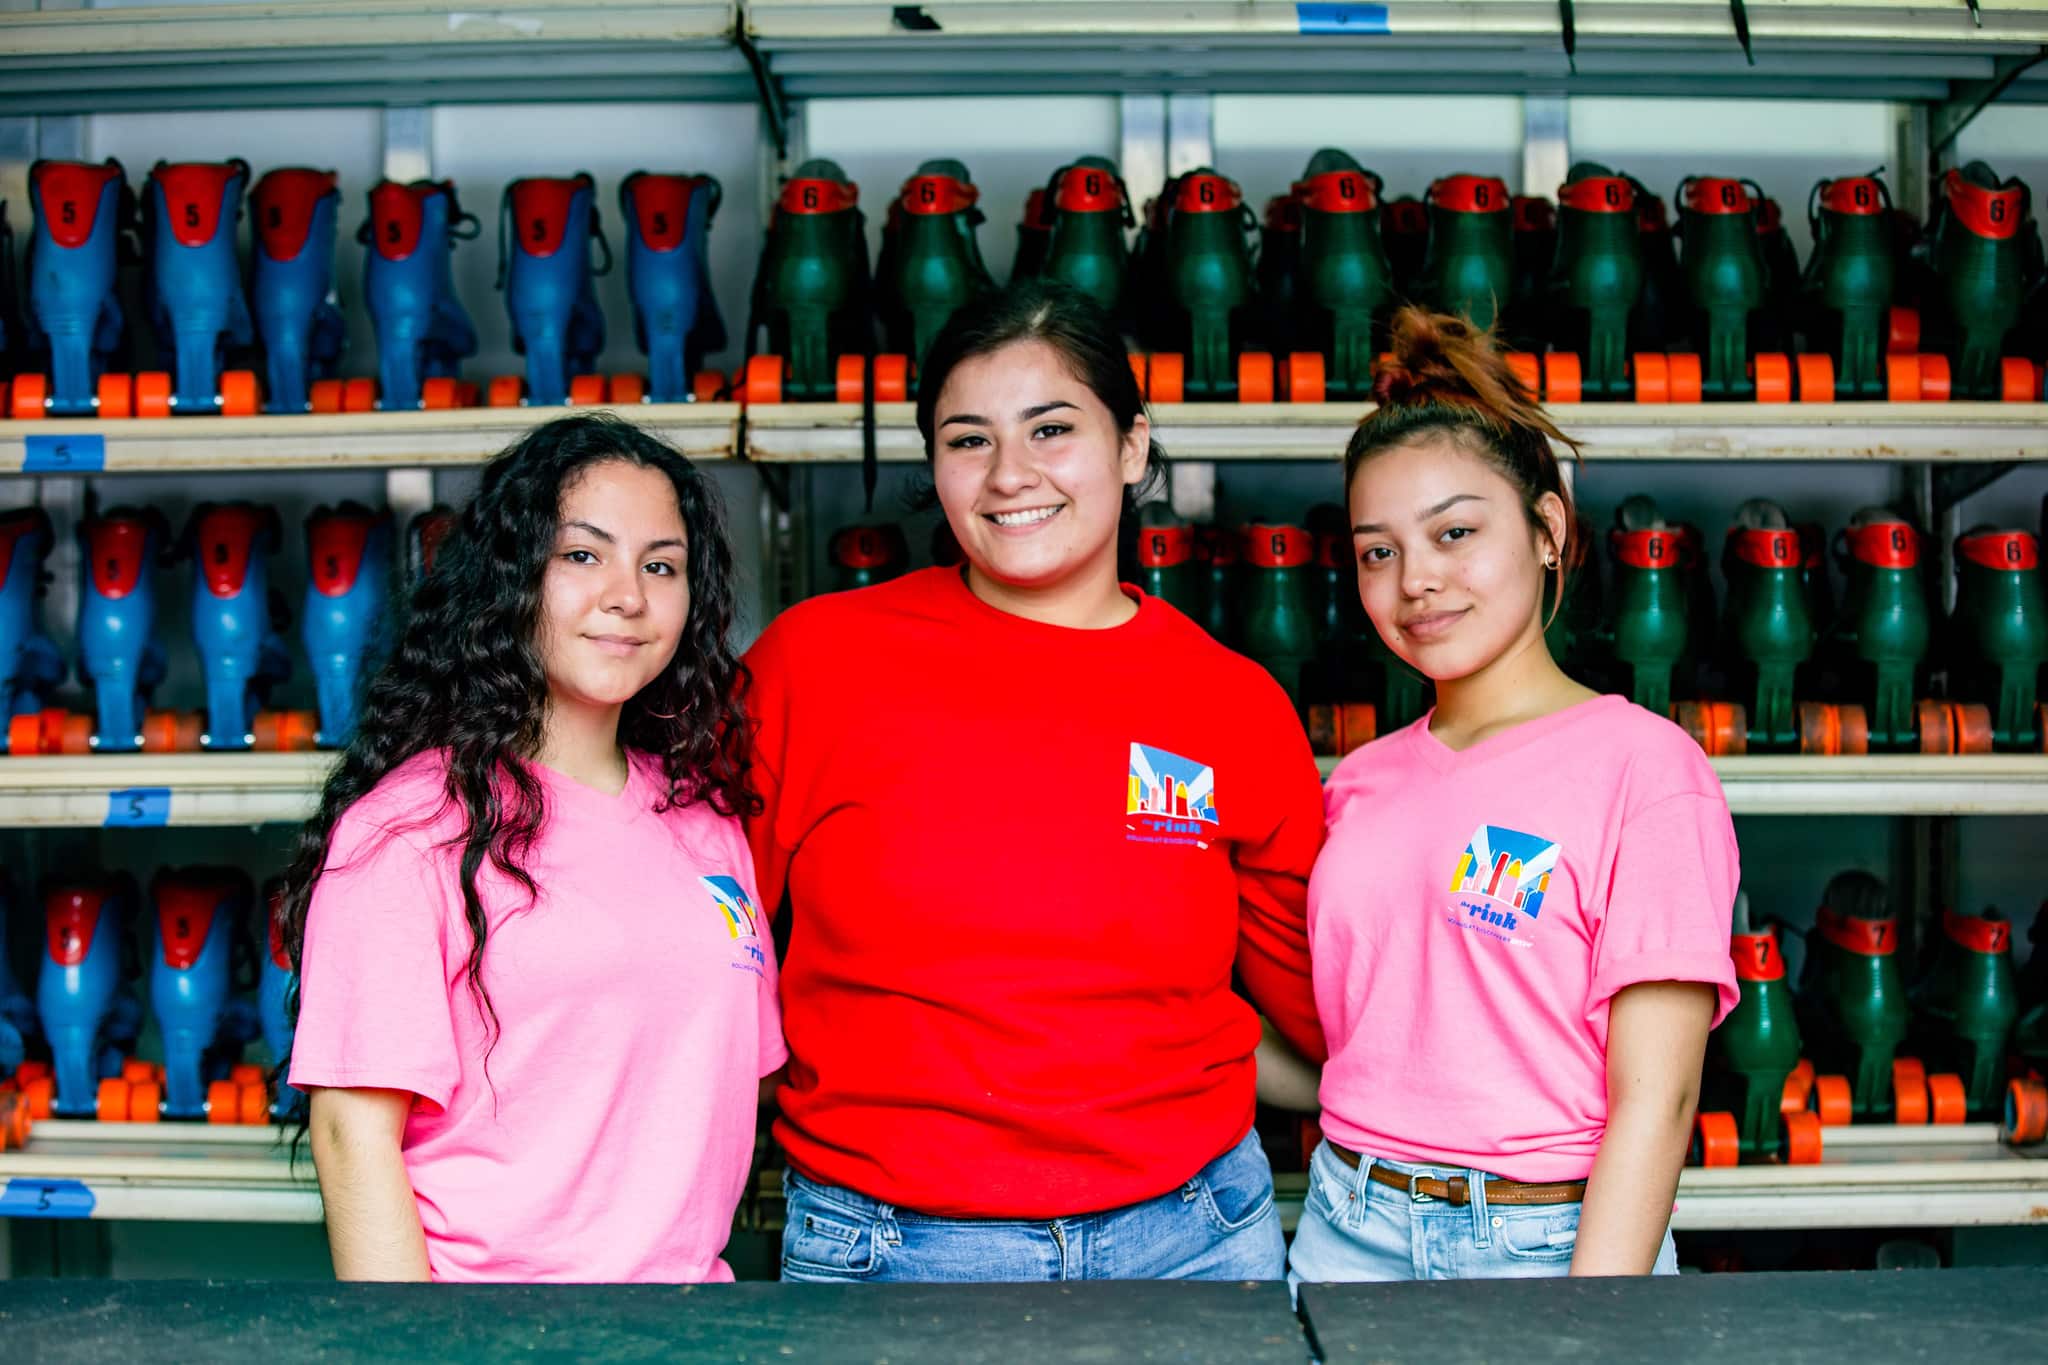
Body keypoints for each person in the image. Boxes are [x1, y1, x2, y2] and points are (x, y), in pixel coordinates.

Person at [744, 279, 1326, 1283]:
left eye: (1050, 428)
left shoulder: (1230, 705)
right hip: (893, 1254)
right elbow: (704, 963)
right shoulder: (813, 665)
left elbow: (1328, 1010)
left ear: (1132, 447)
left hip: (1191, 1241)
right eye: (967, 439)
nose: (1009, 474)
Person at [1285, 309, 1738, 1283]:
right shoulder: (1358, 782)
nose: (1415, 581)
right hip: (1343, 1225)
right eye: (1377, 551)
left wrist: (1584, 1330)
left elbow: (1654, 1104)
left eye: (1454, 532)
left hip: (1541, 1245)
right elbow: (1354, 1056)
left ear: (1545, 530)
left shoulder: (1642, 768)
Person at [280, 413, 783, 1283]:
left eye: (660, 565)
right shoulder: (410, 830)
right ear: (509, 581)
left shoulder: (704, 822)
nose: (627, 594)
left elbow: (736, 1078)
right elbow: (352, 1132)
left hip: (692, 1319)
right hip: (493, 1331)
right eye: (582, 556)